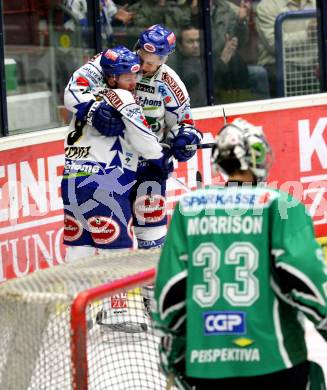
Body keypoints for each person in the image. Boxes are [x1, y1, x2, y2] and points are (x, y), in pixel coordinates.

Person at [152, 118, 327, 389]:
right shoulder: (281, 206)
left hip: (206, 365)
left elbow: (170, 292)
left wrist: (172, 349)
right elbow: (308, 278)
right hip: (274, 361)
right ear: (256, 157)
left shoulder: (188, 207)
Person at [62, 45, 170, 261]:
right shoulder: (123, 97)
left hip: (72, 181)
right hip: (106, 182)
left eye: (135, 74)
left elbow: (71, 96)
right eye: (127, 77)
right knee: (115, 257)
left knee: (78, 250)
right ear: (111, 78)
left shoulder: (89, 97)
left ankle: (73, 295)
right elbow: (142, 136)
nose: (134, 82)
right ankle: (115, 297)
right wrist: (160, 158)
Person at [130, 24, 202, 250]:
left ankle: (151, 285)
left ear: (164, 60)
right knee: (113, 236)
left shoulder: (170, 84)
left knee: (151, 235)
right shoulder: (118, 66)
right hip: (114, 164)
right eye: (142, 57)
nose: (143, 66)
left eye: (151, 63)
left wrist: (184, 140)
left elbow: (185, 124)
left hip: (150, 166)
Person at [255, 0, 316, 97]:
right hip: (279, 63)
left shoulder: (316, 2)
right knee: (294, 77)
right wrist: (308, 34)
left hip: (312, 61)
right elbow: (274, 45)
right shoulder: (265, 7)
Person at [168, 25, 207, 107]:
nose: (196, 45)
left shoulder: (208, 59)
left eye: (198, 40)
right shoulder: (173, 66)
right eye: (190, 41)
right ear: (180, 45)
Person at [64, 0, 134, 45]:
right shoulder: (75, 1)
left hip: (103, 46)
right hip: (81, 47)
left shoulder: (105, 1)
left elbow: (110, 27)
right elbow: (80, 26)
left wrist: (116, 20)